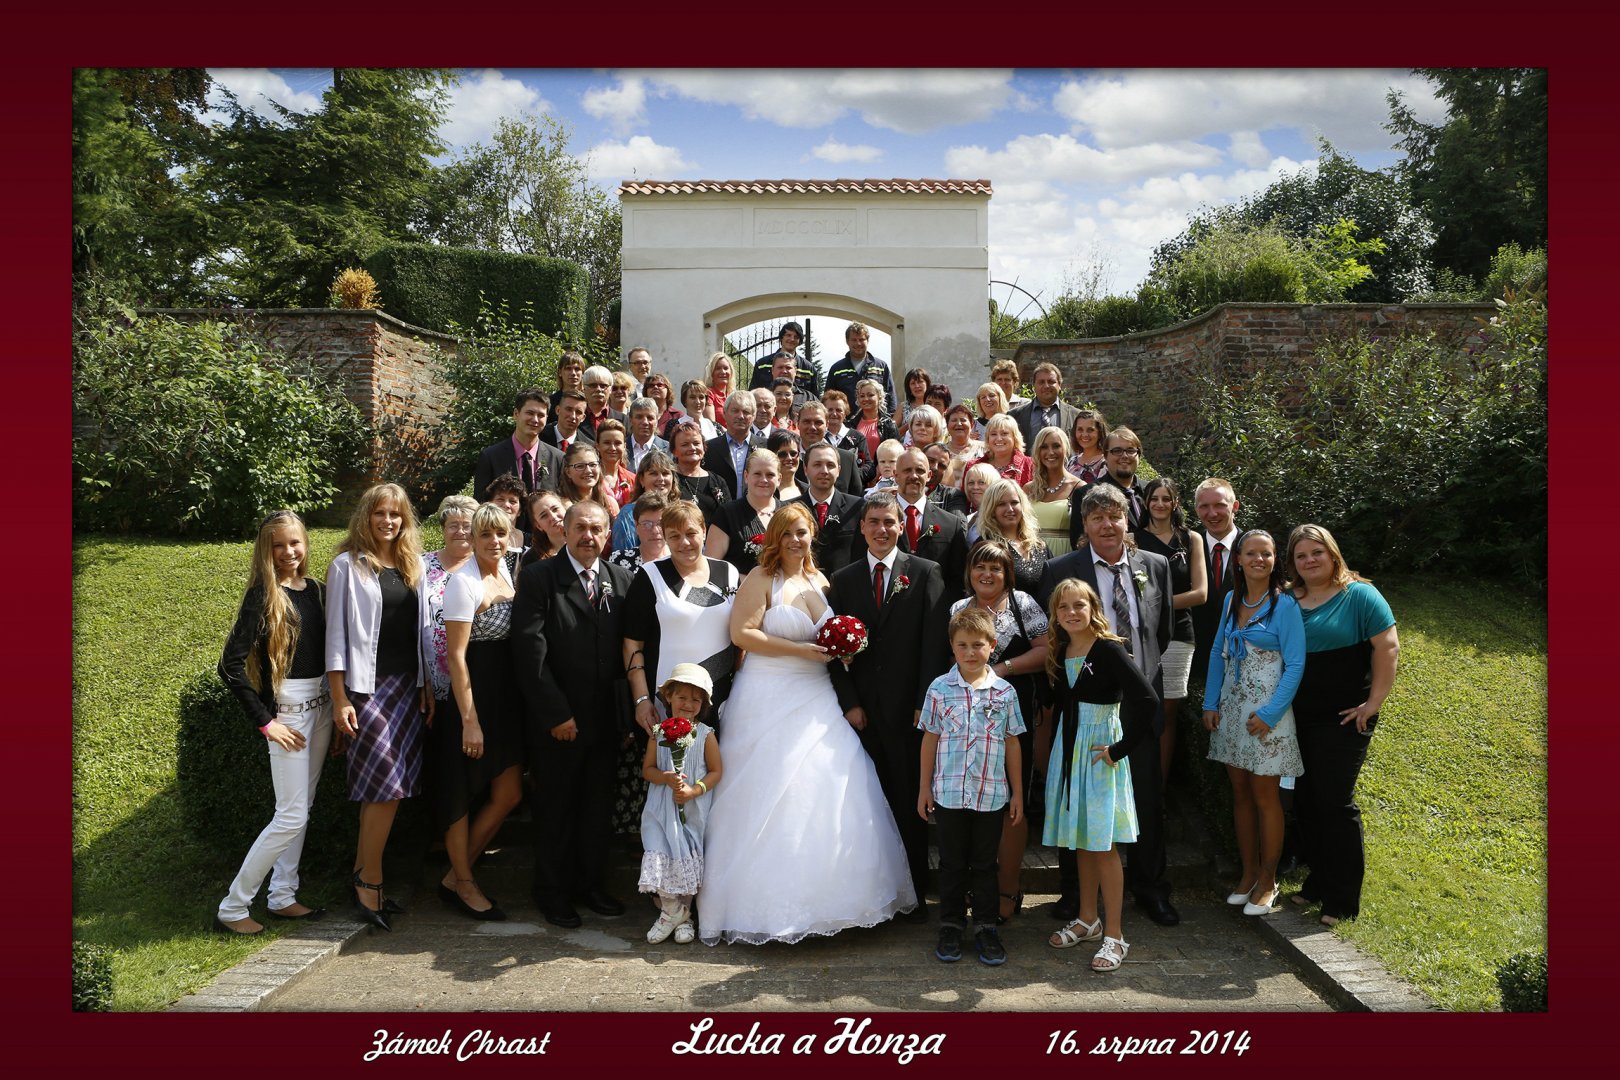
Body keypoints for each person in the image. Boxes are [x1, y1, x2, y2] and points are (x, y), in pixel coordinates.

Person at [699, 502, 917, 942]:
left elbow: (831, 634)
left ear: (812, 535)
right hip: (768, 692)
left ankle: (837, 902)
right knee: (769, 789)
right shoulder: (761, 579)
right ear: (774, 538)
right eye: (787, 533)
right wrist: (801, 651)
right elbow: (742, 634)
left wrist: (846, 650)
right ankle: (762, 907)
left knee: (836, 778)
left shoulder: (822, 580)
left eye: (802, 532)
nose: (796, 540)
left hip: (818, 693)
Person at [1036, 483, 1177, 927]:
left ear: (1126, 520)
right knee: (1078, 798)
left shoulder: (1154, 565)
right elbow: (1055, 635)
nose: (1107, 525)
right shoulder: (1060, 569)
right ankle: (1076, 897)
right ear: (1084, 525)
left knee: (1146, 797)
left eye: (1114, 516)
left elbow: (1163, 631)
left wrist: (1132, 676)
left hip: (1138, 699)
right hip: (1086, 706)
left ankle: (1150, 889)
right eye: (1096, 517)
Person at [511, 500, 633, 928]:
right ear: (564, 530)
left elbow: (627, 653)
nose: (588, 536)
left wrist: (625, 718)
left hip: (605, 722)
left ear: (607, 534)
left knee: (597, 809)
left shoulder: (620, 579)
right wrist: (555, 714)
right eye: (580, 527)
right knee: (556, 809)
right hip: (558, 722)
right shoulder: (540, 578)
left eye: (597, 529)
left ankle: (590, 885)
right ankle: (552, 892)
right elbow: (530, 652)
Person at [828, 492, 952, 913]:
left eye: (889, 522)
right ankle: (874, 898)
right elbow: (832, 650)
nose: (882, 530)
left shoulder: (925, 572)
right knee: (866, 806)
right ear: (862, 528)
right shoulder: (843, 580)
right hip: (861, 712)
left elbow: (933, 645)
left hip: (908, 712)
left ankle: (913, 897)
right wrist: (849, 703)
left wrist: (923, 703)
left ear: (902, 527)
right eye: (874, 522)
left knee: (908, 803)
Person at [214, 510, 330, 934]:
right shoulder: (262, 595)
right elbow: (229, 666)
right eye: (277, 545)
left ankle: (282, 895)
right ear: (266, 549)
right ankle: (232, 908)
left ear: (305, 543)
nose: (288, 552)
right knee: (291, 815)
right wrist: (266, 722)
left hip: (323, 709)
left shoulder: (316, 591)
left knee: (302, 809)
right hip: (288, 713)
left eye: (294, 542)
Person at [325, 483, 430, 932]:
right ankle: (369, 880)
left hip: (406, 688)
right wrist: (339, 699)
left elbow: (421, 632)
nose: (389, 521)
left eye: (396, 514)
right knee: (382, 786)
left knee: (392, 789)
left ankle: (365, 876)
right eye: (380, 513)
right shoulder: (346, 566)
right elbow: (334, 637)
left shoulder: (412, 565)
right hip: (366, 691)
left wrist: (425, 684)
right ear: (366, 517)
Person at [1041, 579, 1158, 972]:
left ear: (1093, 608)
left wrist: (1119, 750)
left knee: (1103, 845)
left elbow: (1147, 699)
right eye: (1063, 607)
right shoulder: (1061, 650)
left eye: (1079, 605)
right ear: (1055, 615)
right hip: (1069, 752)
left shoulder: (1109, 649)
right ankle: (1088, 919)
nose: (1071, 613)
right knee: (1082, 840)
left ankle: (1115, 935)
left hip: (1098, 755)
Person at [1286, 524, 1399, 926]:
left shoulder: (1360, 595)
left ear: (1332, 553)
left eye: (1316, 552)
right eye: (1301, 555)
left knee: (1334, 801)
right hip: (1297, 717)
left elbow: (1388, 648)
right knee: (1305, 801)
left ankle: (1344, 899)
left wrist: (1373, 703)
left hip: (1346, 717)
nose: (1309, 560)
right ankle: (1319, 881)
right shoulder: (1289, 598)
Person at [1202, 529, 1305, 917]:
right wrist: (1210, 702)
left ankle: (1267, 880)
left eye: (1267, 553)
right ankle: (1247, 875)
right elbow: (1218, 652)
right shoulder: (1232, 599)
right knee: (1240, 794)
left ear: (1275, 559)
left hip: (1267, 717)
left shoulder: (1285, 605)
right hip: (1232, 713)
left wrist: (1270, 715)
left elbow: (1295, 664)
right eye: (1251, 553)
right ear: (1239, 559)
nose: (1259, 559)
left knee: (1266, 798)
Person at [918, 605, 1025, 966]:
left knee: (984, 865)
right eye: (962, 645)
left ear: (992, 645)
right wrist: (924, 788)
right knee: (951, 863)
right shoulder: (939, 689)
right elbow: (930, 738)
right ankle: (950, 925)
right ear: (952, 646)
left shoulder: (1005, 692)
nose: (969, 652)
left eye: (977, 645)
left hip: (990, 795)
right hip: (948, 794)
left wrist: (1017, 793)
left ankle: (985, 927)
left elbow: (1012, 742)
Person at [950, 539, 1048, 926]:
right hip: (966, 721)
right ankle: (976, 888)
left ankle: (1008, 890)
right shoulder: (959, 608)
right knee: (972, 800)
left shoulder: (1024, 604)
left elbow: (1046, 649)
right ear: (969, 572)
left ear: (1007, 573)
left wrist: (1003, 668)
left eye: (995, 568)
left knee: (1010, 802)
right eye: (980, 567)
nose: (987, 574)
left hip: (1014, 717)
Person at [435, 503, 524, 921]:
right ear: (472, 538)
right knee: (459, 792)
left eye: (500, 534)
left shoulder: (506, 571)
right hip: (471, 702)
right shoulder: (462, 582)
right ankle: (465, 883)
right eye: (485, 534)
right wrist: (469, 721)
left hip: (506, 701)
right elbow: (456, 658)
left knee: (510, 793)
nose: (494, 542)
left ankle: (454, 876)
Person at [623, 499, 741, 734]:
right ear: (665, 537)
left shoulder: (728, 572)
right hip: (668, 700)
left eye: (691, 533)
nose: (684, 542)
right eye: (675, 536)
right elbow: (632, 644)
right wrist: (641, 699)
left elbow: (738, 638)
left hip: (722, 698)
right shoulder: (650, 575)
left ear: (704, 530)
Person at [639, 664, 724, 945]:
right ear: (669, 697)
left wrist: (694, 790)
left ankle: (683, 917)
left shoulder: (706, 735)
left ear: (703, 704)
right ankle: (672, 912)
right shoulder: (659, 733)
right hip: (660, 809)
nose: (688, 704)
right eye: (682, 697)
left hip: (691, 810)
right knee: (658, 852)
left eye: (695, 700)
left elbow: (716, 772)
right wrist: (664, 777)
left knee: (684, 858)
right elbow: (647, 770)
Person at [1135, 477, 1208, 784]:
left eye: (1166, 498)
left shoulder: (1191, 539)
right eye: (1154, 498)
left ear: (1176, 503)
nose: (1160, 504)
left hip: (1179, 633)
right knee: (1139, 707)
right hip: (1141, 635)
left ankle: (1159, 788)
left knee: (1167, 711)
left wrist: (1158, 605)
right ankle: (1137, 785)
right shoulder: (1132, 539)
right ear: (1145, 502)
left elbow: (1200, 593)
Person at [852, 448, 969, 604]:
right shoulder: (872, 520)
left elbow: (957, 580)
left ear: (929, 475)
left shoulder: (951, 525)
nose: (913, 476)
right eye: (907, 470)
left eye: (920, 471)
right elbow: (859, 564)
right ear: (896, 475)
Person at [422, 496, 479, 721]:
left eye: (467, 526)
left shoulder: (485, 565)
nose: (461, 532)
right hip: (429, 674)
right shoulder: (421, 565)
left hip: (472, 674)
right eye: (453, 525)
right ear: (443, 530)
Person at [1191, 478, 1243, 687]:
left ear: (1235, 506)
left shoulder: (1255, 549)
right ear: (1196, 510)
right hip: (1195, 665)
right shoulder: (1186, 549)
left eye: (1220, 505)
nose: (1212, 514)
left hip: (1243, 659)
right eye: (1204, 506)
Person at [473, 388, 564, 504]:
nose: (535, 420)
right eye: (530, 413)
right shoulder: (491, 457)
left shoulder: (557, 458)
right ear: (516, 414)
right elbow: (481, 503)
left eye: (541, 415)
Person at [706, 449, 782, 578]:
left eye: (770, 475)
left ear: (779, 479)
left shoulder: (788, 513)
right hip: (740, 589)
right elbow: (711, 567)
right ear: (746, 476)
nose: (764, 479)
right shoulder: (727, 514)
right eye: (757, 474)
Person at [1069, 426, 1148, 547]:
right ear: (1105, 456)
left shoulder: (1152, 492)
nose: (1124, 456)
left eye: (1130, 450)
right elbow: (1079, 543)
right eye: (1117, 451)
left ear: (1139, 455)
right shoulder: (1086, 494)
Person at [791, 441, 863, 573]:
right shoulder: (790, 508)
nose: (824, 471)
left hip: (844, 583)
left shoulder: (858, 508)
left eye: (830, 465)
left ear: (838, 471)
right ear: (805, 469)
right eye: (817, 465)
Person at [974, 478, 1050, 595]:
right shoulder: (984, 546)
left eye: (1014, 503)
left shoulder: (1039, 545)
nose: (1010, 509)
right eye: (1001, 504)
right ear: (991, 510)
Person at [1026, 427, 1081, 555]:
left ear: (1066, 449)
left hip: (1065, 555)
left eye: (1056, 446)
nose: (1050, 452)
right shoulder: (1028, 489)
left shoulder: (1078, 487)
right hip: (1032, 554)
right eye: (1044, 447)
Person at [611, 448, 678, 553]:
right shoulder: (628, 515)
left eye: (665, 473)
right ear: (641, 479)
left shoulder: (678, 512)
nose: (661, 479)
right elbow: (623, 556)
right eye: (653, 473)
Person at [824, 321, 897, 417]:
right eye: (854, 340)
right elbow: (828, 399)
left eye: (861, 339)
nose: (858, 343)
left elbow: (891, 397)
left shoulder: (881, 367)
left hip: (877, 422)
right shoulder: (837, 369)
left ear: (867, 341)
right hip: (846, 423)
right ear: (847, 341)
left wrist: (889, 420)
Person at [794, 400, 863, 498]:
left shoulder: (847, 459)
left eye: (818, 422)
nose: (812, 427)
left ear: (827, 425)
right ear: (798, 424)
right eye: (806, 422)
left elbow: (856, 500)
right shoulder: (788, 460)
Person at [703, 390, 765, 499]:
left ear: (754, 416)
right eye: (735, 411)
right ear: (724, 413)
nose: (740, 416)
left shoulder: (766, 447)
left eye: (746, 412)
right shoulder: (709, 448)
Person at [670, 419, 730, 525]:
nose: (692, 448)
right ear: (674, 451)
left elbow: (728, 518)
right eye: (685, 444)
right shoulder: (668, 480)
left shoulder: (718, 481)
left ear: (704, 447)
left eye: (696, 443)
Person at [1010, 363, 1081, 451]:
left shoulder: (1076, 415)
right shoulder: (1015, 416)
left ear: (1060, 385)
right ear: (1034, 386)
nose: (1046, 386)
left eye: (1051, 382)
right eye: (1041, 382)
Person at [609, 489, 672, 576]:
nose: (655, 530)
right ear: (636, 526)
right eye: (647, 524)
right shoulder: (619, 560)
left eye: (660, 523)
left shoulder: (681, 558)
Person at [748, 320, 819, 396]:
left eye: (796, 337)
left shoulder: (808, 369)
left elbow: (815, 399)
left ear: (800, 341)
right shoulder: (762, 365)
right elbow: (752, 395)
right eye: (788, 335)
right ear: (781, 337)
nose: (792, 339)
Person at [558, 441, 618, 523]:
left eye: (592, 465)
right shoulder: (563, 507)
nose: (588, 471)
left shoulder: (610, 503)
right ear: (568, 472)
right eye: (580, 466)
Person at [971, 414, 1034, 488]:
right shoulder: (972, 466)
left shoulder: (1031, 465)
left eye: (1004, 434)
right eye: (993, 434)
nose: (999, 438)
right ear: (988, 438)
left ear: (1014, 437)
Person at [520, 488, 569, 571]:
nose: (553, 517)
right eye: (544, 516)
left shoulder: (584, 541)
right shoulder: (532, 559)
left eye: (555, 509)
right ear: (538, 526)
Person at [852, 378, 901, 462]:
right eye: (862, 396)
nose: (866, 399)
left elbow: (896, 453)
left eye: (870, 395)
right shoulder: (851, 424)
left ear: (879, 397)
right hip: (858, 469)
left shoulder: (889, 424)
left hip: (882, 468)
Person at [593, 419, 637, 509]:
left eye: (617, 443)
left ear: (624, 446)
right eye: (607, 443)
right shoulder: (590, 477)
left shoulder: (633, 479)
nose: (612, 448)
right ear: (598, 446)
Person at [482, 473, 527, 551]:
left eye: (512, 501)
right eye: (500, 499)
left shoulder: (532, 542)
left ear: (520, 510)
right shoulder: (478, 537)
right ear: (489, 504)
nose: (506, 505)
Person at [924, 441, 969, 517]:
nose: (935, 468)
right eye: (930, 461)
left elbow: (960, 523)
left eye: (941, 465)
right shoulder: (903, 488)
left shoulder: (953, 496)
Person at [580, 365, 626, 439]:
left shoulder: (624, 420)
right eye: (593, 385)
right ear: (583, 388)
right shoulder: (576, 417)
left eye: (603, 386)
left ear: (610, 389)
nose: (598, 389)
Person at [1067, 407, 1110, 484]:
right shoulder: (1071, 462)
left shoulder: (1107, 462)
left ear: (1100, 432)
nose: (1084, 435)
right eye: (1080, 429)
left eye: (1090, 430)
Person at [625, 397, 670, 471]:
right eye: (639, 417)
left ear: (657, 420)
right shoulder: (621, 447)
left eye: (650, 418)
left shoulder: (669, 449)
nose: (645, 422)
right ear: (630, 419)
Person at [961, 462, 999, 539]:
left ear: (993, 485)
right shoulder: (968, 519)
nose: (975, 487)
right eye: (971, 483)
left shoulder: (1001, 518)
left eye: (981, 482)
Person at [768, 429, 805, 503]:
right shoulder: (764, 490)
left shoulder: (809, 490)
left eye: (793, 453)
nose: (789, 458)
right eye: (782, 454)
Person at [703, 352, 736, 420]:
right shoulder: (708, 394)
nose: (723, 372)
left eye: (726, 368)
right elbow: (711, 423)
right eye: (718, 368)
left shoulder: (734, 396)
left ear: (731, 372)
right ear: (711, 373)